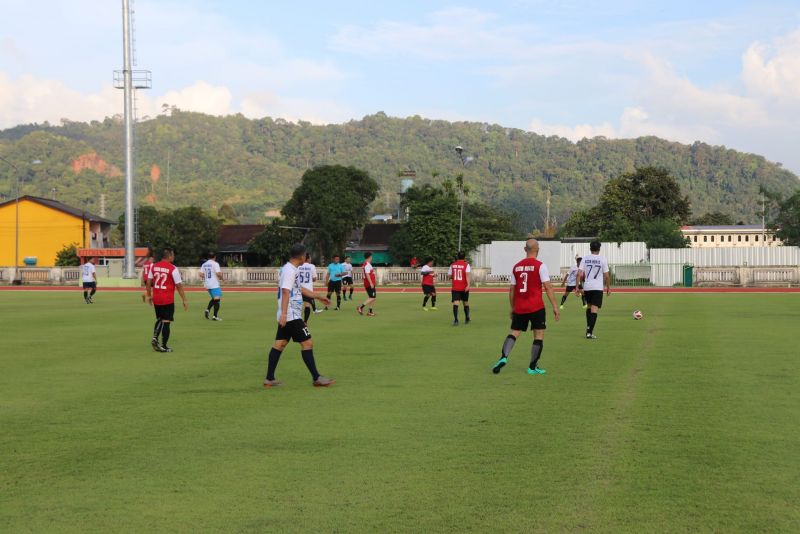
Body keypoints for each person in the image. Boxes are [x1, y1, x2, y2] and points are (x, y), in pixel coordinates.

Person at [263, 243, 335, 388]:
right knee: (307, 342)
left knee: (280, 344)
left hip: (288, 313)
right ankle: (316, 377)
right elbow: (285, 291)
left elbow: (299, 288)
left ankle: (269, 378)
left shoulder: (290, 269)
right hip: (291, 314)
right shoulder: (289, 270)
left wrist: (318, 296)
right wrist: (284, 313)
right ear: (302, 256)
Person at [492, 239, 560, 375]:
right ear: (538, 250)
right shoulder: (540, 266)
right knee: (539, 334)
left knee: (514, 332)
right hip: (536, 306)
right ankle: (532, 367)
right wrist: (555, 306)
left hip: (520, 307)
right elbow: (548, 287)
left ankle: (503, 357)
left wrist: (512, 307)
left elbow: (512, 289)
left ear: (525, 249)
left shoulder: (516, 267)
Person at [146, 248, 188, 353]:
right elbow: (179, 285)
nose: (174, 257)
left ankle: (155, 337)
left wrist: (148, 295)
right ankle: (164, 346)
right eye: (173, 255)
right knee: (166, 321)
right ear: (169, 256)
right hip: (167, 299)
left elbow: (148, 282)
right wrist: (184, 299)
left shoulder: (154, 266)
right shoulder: (173, 268)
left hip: (157, 298)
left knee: (160, 319)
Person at [576, 240, 611, 339]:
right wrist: (608, 288)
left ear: (590, 248)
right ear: (599, 249)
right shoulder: (602, 259)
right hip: (597, 287)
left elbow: (579, 274)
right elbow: (607, 276)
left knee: (589, 307)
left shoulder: (585, 258)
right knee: (594, 310)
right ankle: (589, 332)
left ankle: (588, 329)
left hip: (587, 287)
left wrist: (577, 287)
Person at [448, 251, 471, 326]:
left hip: (455, 287)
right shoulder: (466, 265)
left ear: (457, 257)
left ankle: (456, 320)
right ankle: (467, 318)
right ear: (464, 257)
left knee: (456, 303)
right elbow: (467, 276)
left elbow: (449, 276)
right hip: (464, 287)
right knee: (465, 302)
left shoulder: (452, 265)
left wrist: (454, 276)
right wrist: (468, 285)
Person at [201, 251, 224, 321]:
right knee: (217, 299)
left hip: (207, 284)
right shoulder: (215, 264)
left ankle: (208, 311)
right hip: (214, 283)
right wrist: (222, 279)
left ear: (208, 257)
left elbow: (200, 274)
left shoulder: (204, 264)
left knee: (215, 299)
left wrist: (206, 277)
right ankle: (214, 316)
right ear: (215, 257)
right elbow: (218, 273)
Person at [298, 252, 320, 323]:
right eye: (310, 257)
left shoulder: (298, 266)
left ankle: (294, 320)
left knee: (297, 306)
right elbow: (314, 278)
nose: (311, 259)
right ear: (307, 259)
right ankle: (305, 322)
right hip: (308, 289)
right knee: (307, 305)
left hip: (299, 289)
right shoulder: (312, 266)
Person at [357, 252, 377, 317]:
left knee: (372, 298)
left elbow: (370, 274)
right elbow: (367, 274)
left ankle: (370, 311)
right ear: (370, 257)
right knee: (372, 297)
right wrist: (371, 283)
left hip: (370, 283)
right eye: (371, 257)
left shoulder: (366, 264)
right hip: (369, 283)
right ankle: (361, 307)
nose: (372, 258)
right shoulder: (367, 265)